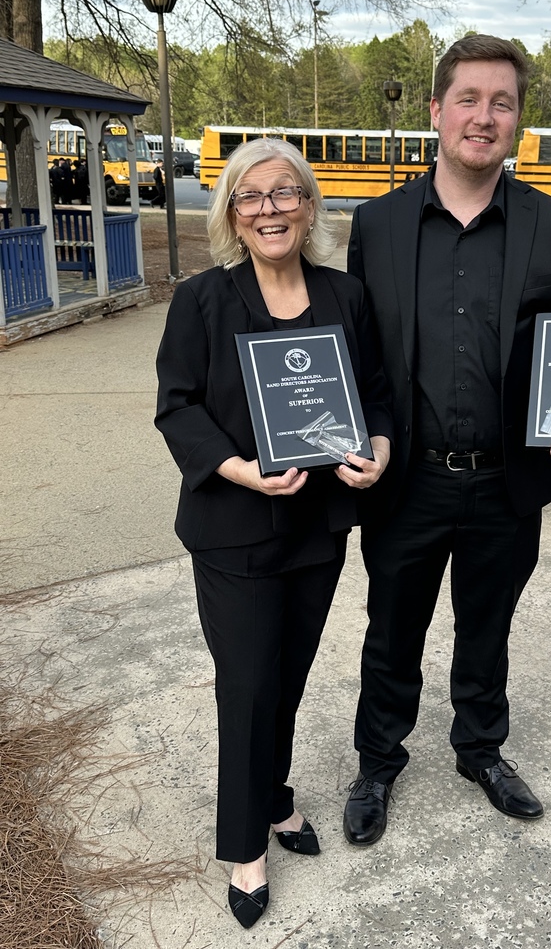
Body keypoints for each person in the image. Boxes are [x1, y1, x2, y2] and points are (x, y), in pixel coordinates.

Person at [342, 34, 551, 847]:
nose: (483, 118)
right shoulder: (377, 225)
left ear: (518, 119)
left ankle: (479, 750)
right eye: (469, 100)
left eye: (502, 102)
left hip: (505, 481)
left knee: (488, 625)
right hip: (407, 478)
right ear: (436, 111)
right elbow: (361, 356)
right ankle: (378, 760)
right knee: (393, 627)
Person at [155, 139, 392, 927]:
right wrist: (237, 468)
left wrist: (379, 449)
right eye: (251, 197)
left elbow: (377, 395)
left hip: (317, 527)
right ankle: (246, 844)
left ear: (309, 205)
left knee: (285, 678)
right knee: (248, 685)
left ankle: (278, 796)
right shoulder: (202, 301)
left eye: (284, 193)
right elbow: (177, 406)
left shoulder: (344, 297)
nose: (269, 209)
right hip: (235, 529)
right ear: (231, 213)